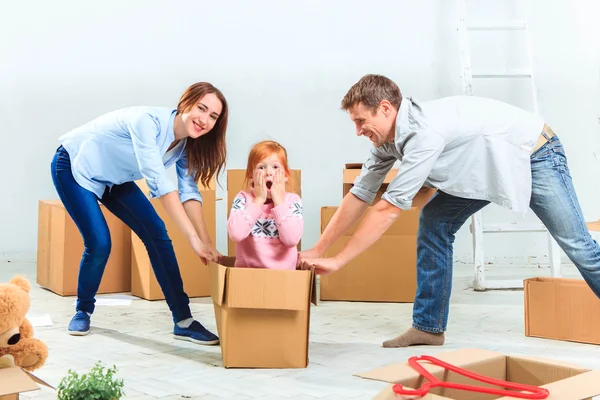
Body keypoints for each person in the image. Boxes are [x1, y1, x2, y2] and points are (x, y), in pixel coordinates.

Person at [299, 74, 600, 348]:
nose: (358, 131)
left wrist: (339, 260)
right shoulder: (386, 140)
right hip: (484, 165)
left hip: (534, 153)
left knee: (577, 245)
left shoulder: (423, 133)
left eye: (361, 121)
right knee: (434, 223)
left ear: (386, 108)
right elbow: (360, 194)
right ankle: (428, 328)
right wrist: (318, 249)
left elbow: (388, 208)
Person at [51, 82, 227, 345]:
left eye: (213, 116)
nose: (204, 119)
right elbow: (161, 184)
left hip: (115, 178)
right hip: (75, 167)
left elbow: (189, 192)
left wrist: (207, 243)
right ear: (186, 103)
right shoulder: (148, 122)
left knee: (157, 233)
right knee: (99, 243)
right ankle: (83, 309)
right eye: (202, 108)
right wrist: (192, 240)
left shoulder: (187, 146)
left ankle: (183, 320)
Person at [227, 140, 303, 270]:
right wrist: (259, 200)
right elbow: (236, 234)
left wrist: (279, 201)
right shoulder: (243, 199)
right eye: (261, 167)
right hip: (247, 275)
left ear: (285, 175)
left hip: (284, 277)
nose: (268, 172)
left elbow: (291, 239)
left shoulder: (292, 201)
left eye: (275, 167)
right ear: (251, 176)